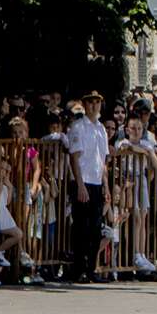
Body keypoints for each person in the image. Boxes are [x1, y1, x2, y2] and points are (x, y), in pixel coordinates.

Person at [63, 91, 110, 283]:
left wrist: (106, 186)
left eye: (97, 102)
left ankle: (91, 268)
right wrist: (80, 184)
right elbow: (75, 157)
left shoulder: (101, 129)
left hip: (97, 182)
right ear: (85, 104)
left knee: (95, 229)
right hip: (83, 181)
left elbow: (103, 159)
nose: (94, 106)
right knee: (82, 228)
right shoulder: (78, 127)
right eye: (90, 102)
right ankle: (79, 269)